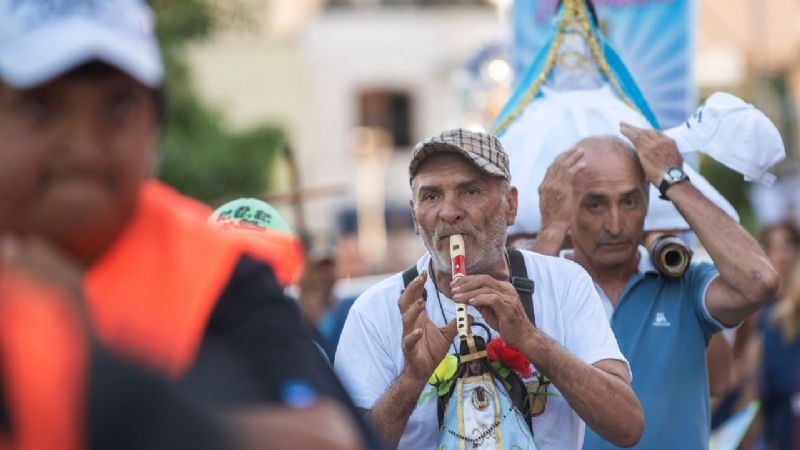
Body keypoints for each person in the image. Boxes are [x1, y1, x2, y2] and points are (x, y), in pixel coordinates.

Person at [0, 1, 378, 447]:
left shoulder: (215, 272)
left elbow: (330, 439)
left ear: (154, 131)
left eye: (118, 107)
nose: (84, 147)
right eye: (42, 106)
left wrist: (106, 393)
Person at [335, 128, 644, 450]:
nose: (449, 212)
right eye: (431, 196)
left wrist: (529, 338)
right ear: (415, 215)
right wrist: (412, 379)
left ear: (510, 205)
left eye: (470, 192)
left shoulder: (564, 283)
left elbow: (627, 427)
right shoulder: (377, 309)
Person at [533, 127, 778, 450]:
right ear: (565, 207)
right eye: (595, 205)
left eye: (630, 201)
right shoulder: (549, 284)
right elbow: (509, 333)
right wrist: (550, 228)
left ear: (649, 201)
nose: (616, 224)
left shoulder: (685, 282)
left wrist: (673, 179)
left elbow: (760, 280)